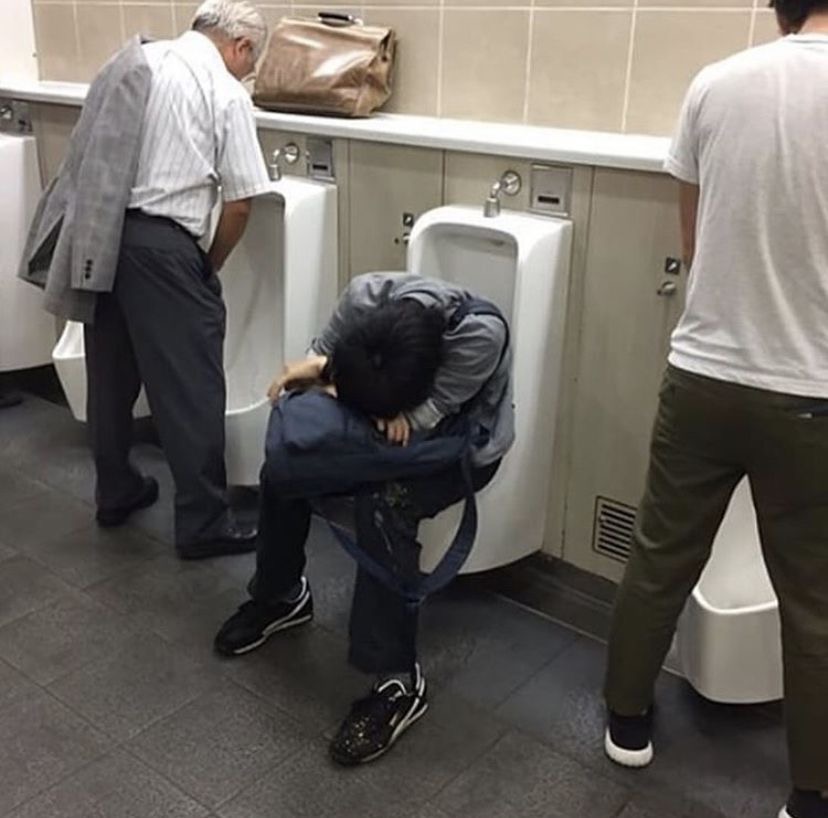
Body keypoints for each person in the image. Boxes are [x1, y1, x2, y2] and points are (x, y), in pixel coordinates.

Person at [601, 2, 828, 816]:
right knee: (813, 597)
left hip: (703, 372)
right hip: (812, 392)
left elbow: (694, 241)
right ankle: (810, 791)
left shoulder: (715, 83)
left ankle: (626, 720)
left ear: (778, 7)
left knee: (661, 556)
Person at [214, 272, 514, 764]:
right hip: (374, 411)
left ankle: (397, 680)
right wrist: (324, 379)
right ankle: (281, 596)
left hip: (454, 442)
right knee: (287, 466)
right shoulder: (363, 297)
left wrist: (337, 385)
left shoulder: (480, 335)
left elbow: (421, 419)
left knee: (385, 502)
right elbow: (319, 370)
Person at [84, 1, 273, 557]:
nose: (249, 71)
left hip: (104, 234)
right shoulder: (225, 90)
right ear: (239, 46)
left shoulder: (136, 61)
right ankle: (203, 524)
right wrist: (207, 265)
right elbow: (240, 204)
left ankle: (115, 490)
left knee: (111, 377)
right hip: (164, 246)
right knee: (191, 389)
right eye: (251, 60)